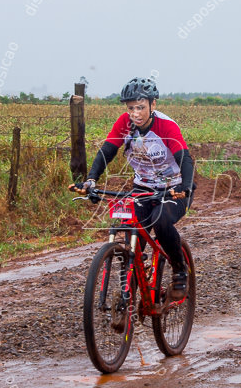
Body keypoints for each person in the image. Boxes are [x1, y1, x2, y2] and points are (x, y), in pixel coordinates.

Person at [69, 77, 195, 301]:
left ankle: (179, 270)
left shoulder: (166, 126)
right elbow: (107, 151)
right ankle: (133, 280)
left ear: (153, 105)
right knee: (130, 227)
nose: (135, 113)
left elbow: (184, 158)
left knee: (160, 220)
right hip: (143, 187)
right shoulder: (124, 124)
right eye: (130, 108)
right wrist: (91, 180)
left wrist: (185, 186)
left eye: (141, 107)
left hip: (174, 188)